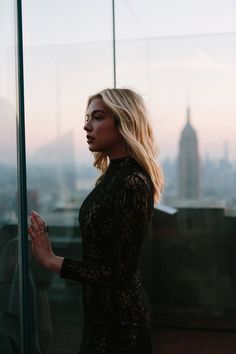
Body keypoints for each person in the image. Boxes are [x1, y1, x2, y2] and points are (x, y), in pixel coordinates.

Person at [28, 88, 164, 354]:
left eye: (97, 117)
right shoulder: (111, 176)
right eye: (88, 117)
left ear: (123, 122)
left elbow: (120, 273)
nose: (86, 125)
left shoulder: (132, 182)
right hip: (100, 316)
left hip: (121, 323)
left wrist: (52, 261)